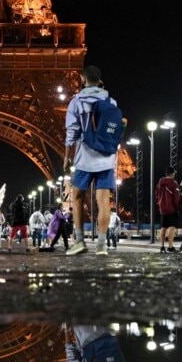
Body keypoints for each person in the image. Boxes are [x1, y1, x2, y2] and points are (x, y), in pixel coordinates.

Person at [64, 65, 118, 255]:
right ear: (100, 80)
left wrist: (66, 157)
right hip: (107, 158)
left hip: (85, 157)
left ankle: (79, 241)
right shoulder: (111, 100)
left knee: (77, 197)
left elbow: (72, 133)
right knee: (104, 202)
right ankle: (102, 245)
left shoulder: (76, 101)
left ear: (82, 78)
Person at [155, 166, 181, 253]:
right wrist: (178, 207)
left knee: (163, 227)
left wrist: (159, 205)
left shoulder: (160, 183)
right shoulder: (174, 183)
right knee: (171, 227)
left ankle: (162, 247)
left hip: (162, 209)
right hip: (171, 208)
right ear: (172, 173)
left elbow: (156, 195)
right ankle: (170, 246)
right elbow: (176, 198)